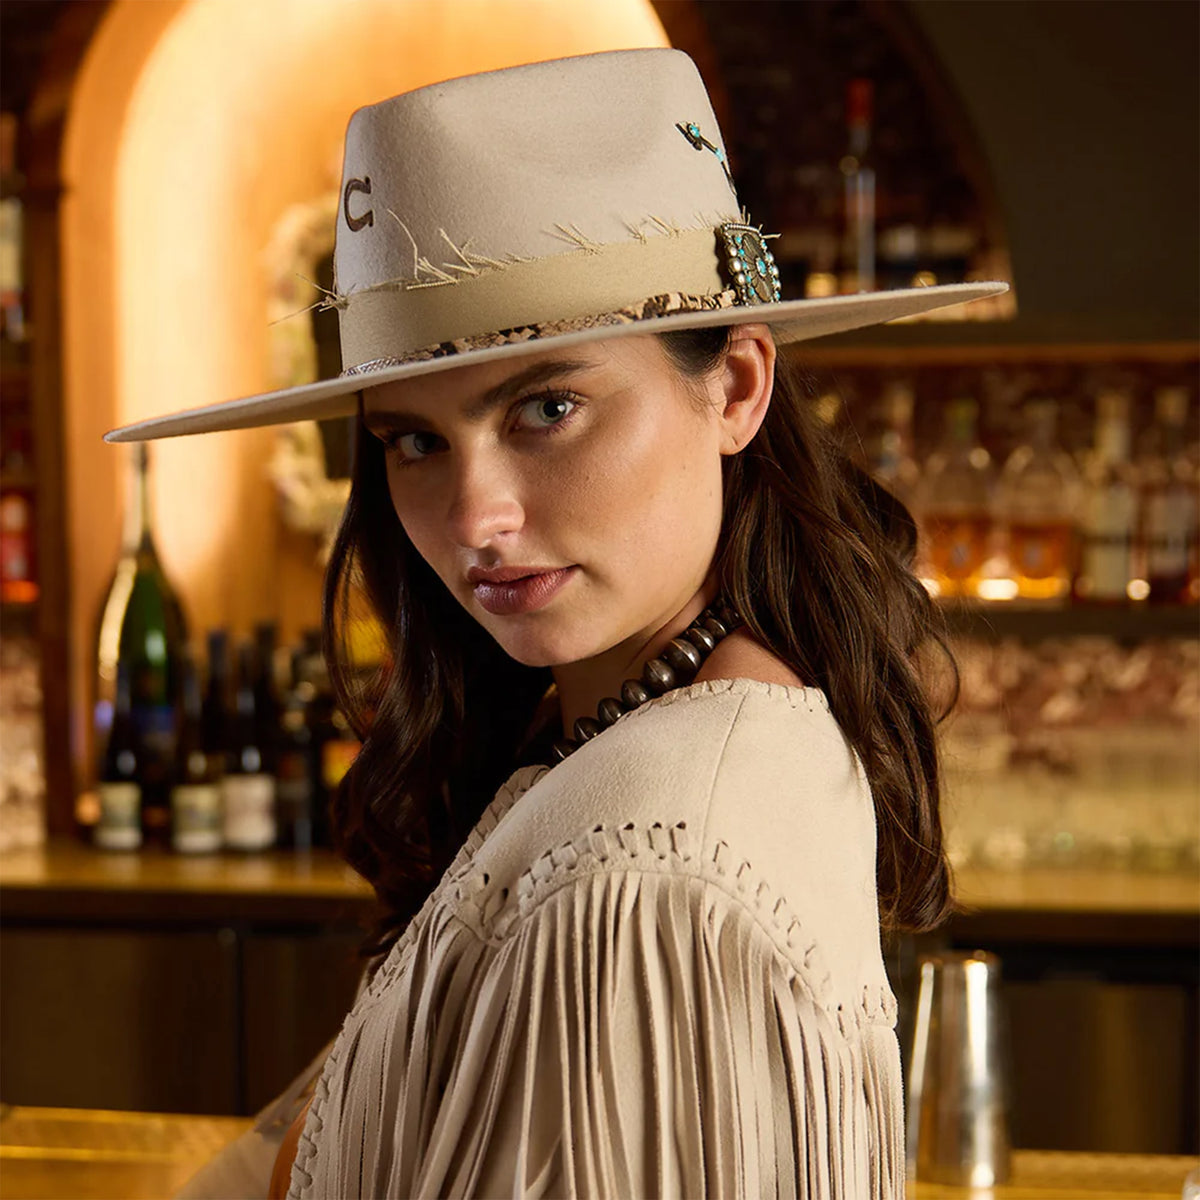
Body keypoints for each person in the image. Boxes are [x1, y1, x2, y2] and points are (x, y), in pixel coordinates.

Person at [111, 48, 1005, 1200]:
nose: (474, 518)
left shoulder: (641, 876)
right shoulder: (649, 727)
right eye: (413, 440)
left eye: (547, 406)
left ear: (736, 387)